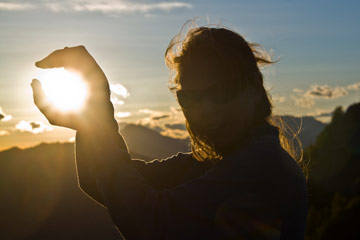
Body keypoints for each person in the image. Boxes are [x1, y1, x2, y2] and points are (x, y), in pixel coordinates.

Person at [31, 25, 307, 239]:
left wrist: (98, 113)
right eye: (191, 98)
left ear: (253, 90)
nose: (205, 111)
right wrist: (89, 120)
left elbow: (152, 221)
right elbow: (100, 181)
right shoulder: (210, 165)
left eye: (219, 92)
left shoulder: (264, 166)